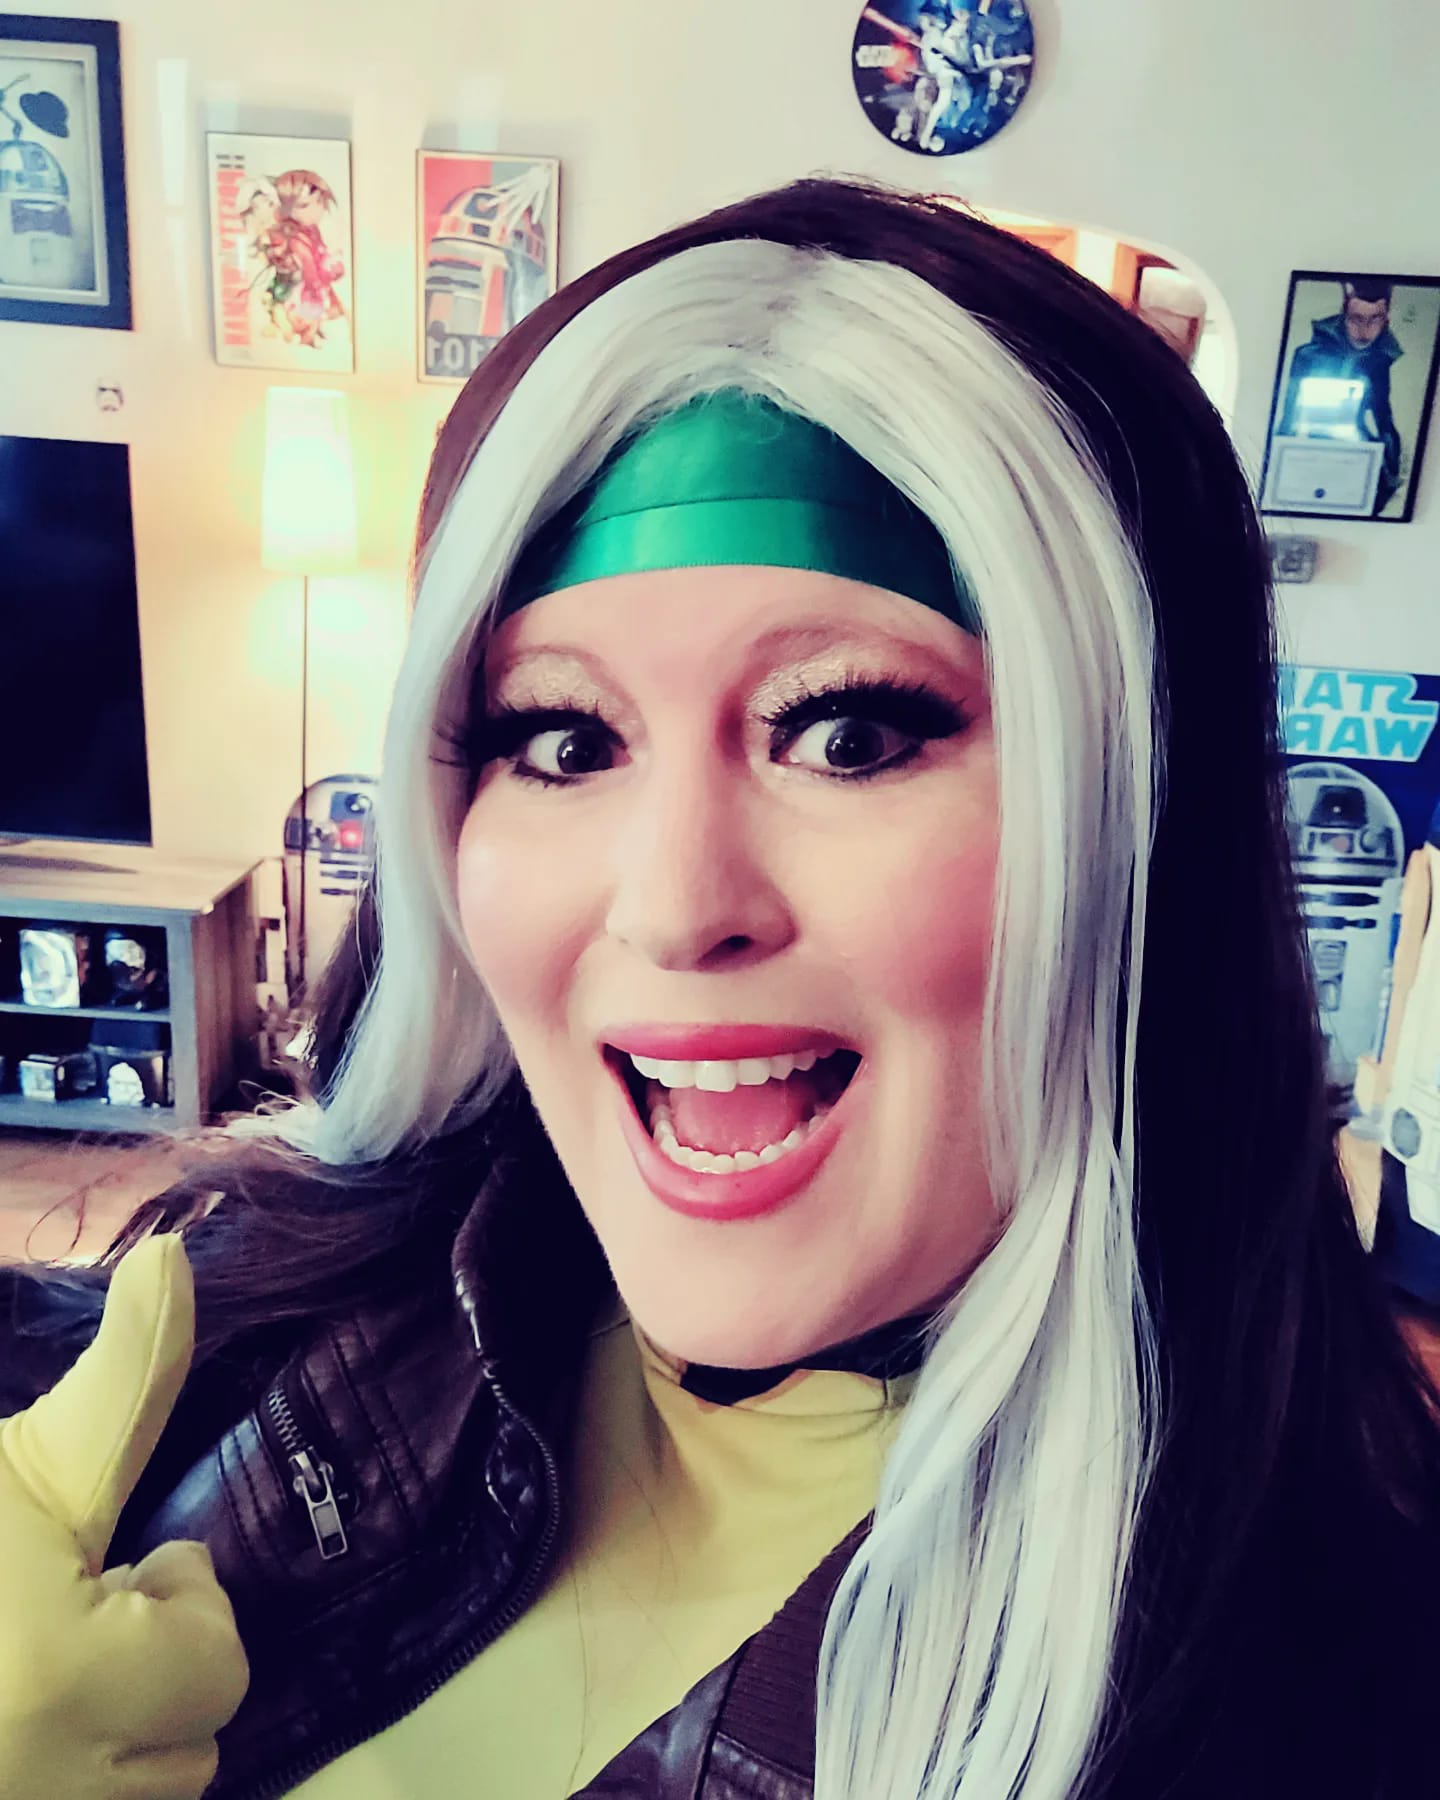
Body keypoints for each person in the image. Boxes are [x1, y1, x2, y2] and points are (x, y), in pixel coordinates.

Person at [3, 176, 1439, 1800]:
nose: (676, 907)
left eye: (851, 732)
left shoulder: (1343, 1695)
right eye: (564, 739)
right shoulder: (257, 1310)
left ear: (1141, 827)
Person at [1277, 277, 1405, 516]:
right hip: (1308, 448)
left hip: (1353, 452)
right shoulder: (1308, 356)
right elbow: (1289, 412)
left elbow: (1383, 418)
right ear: (1344, 315)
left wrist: (1390, 471)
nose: (1364, 330)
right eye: (1357, 318)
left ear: (1385, 319)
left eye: (1374, 319)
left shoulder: (1378, 363)